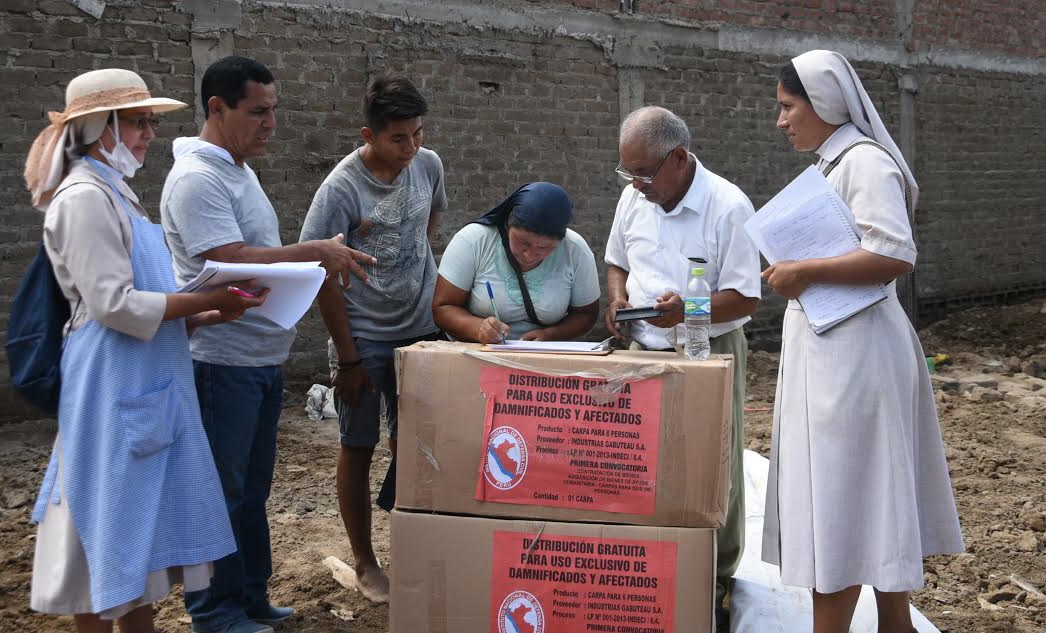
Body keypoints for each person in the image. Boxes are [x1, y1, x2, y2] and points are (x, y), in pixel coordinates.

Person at [24, 68, 267, 633]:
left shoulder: (114, 194)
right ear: (99, 127)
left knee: (136, 524)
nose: (147, 135)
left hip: (139, 378)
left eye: (149, 123)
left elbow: (139, 303)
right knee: (101, 520)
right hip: (111, 380)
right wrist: (204, 299)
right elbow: (114, 304)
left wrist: (206, 311)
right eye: (137, 123)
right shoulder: (84, 197)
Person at [161, 56, 373, 633]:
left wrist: (306, 263)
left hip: (257, 357)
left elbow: (252, 257)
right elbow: (224, 259)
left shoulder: (237, 169)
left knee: (251, 491)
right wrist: (314, 253)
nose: (270, 123)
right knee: (220, 494)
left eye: (274, 110)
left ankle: (249, 596)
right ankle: (214, 611)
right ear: (217, 109)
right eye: (258, 111)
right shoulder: (198, 178)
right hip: (218, 360)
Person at [762, 50, 963, 633]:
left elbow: (894, 253)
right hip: (835, 353)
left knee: (844, 499)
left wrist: (806, 271)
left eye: (787, 106)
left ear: (823, 102)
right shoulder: (833, 163)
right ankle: (894, 624)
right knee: (866, 492)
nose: (781, 120)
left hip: (857, 359)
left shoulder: (865, 163)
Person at [603, 106, 760, 621]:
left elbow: (745, 298)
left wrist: (687, 310)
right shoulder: (634, 197)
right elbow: (617, 260)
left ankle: (716, 574)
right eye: (628, 172)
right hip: (641, 346)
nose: (636, 184)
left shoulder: (728, 206)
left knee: (714, 465)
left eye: (644, 172)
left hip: (707, 350)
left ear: (679, 158)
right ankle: (645, 565)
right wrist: (619, 299)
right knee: (636, 460)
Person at [299, 74, 447, 603]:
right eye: (398, 139)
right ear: (370, 133)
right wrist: (349, 357)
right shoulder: (342, 188)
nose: (412, 148)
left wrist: (415, 272)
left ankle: (419, 546)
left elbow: (429, 221)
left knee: (420, 444)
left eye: (418, 134)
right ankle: (364, 561)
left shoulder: (427, 165)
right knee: (357, 446)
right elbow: (319, 270)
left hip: (421, 331)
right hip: (364, 338)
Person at [433, 182, 600, 343]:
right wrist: (478, 329)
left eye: (545, 247)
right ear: (508, 225)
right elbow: (443, 307)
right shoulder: (474, 240)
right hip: (478, 353)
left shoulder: (575, 250)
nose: (529, 255)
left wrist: (550, 335)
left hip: (543, 357)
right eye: (523, 242)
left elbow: (586, 314)